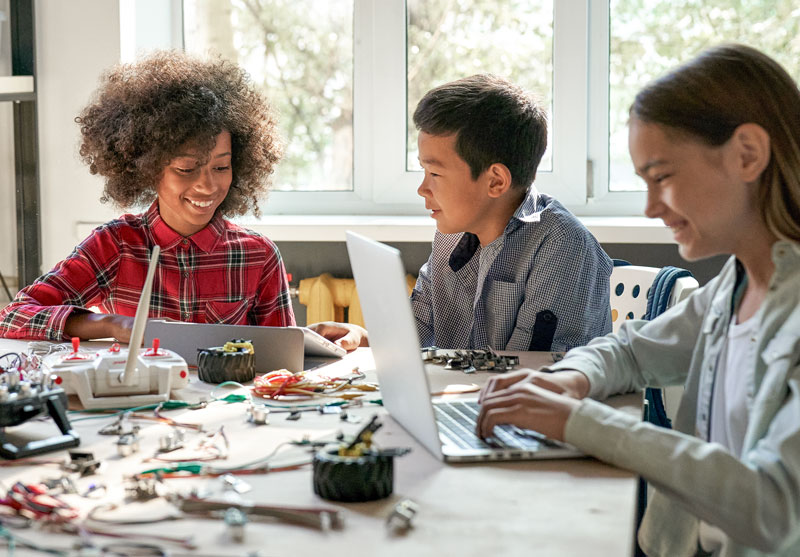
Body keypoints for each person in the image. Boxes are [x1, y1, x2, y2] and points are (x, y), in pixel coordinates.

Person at [478, 43, 800, 556]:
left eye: (663, 177)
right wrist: (567, 381)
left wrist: (579, 422)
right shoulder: (736, 287)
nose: (651, 207)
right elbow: (630, 350)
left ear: (747, 154)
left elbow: (777, 506)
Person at [0, 51, 295, 343]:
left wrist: (316, 340)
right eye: (187, 168)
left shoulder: (259, 256)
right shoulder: (116, 246)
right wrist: (113, 324)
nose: (207, 185)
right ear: (148, 169)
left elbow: (286, 359)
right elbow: (13, 316)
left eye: (221, 167)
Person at [315, 74, 612, 352]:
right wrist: (362, 339)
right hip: (471, 398)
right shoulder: (451, 235)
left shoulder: (563, 247)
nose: (422, 188)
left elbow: (532, 376)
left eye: (434, 173)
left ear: (495, 181)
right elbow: (412, 338)